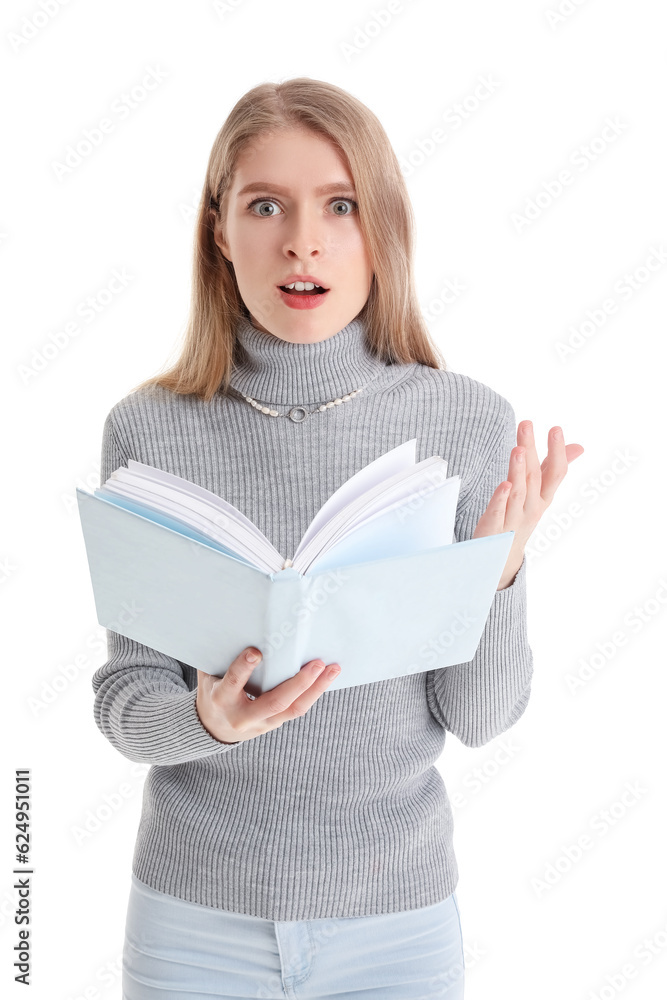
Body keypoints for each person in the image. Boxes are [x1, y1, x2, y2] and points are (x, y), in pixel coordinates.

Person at [92, 77, 584, 1000]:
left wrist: (498, 572)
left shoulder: (464, 422)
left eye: (340, 205)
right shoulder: (149, 431)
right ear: (219, 231)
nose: (301, 241)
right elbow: (126, 704)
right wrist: (208, 720)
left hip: (395, 927)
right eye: (265, 205)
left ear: (381, 229)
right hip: (193, 923)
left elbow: (481, 720)